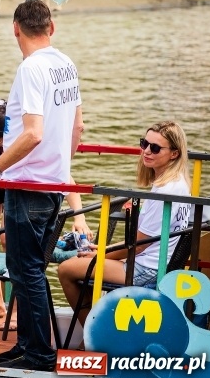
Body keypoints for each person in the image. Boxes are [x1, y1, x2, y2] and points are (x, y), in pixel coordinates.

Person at [0, 0, 83, 371]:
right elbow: (77, 127)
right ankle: (27, 344)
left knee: (26, 270)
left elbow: (32, 133)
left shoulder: (31, 68)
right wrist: (60, 167)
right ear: (51, 27)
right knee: (30, 268)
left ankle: (39, 353)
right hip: (50, 183)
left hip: (28, 184)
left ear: (15, 29)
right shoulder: (65, 64)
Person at [0, 100, 90, 330]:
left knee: (13, 241)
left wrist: (79, 217)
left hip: (16, 176)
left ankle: (20, 312)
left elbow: (63, 177)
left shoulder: (25, 135)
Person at [58, 120, 194, 329]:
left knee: (67, 269)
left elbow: (139, 245)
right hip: (157, 261)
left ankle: (93, 334)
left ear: (174, 153)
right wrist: (104, 250)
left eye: (155, 148)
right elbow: (144, 240)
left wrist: (100, 254)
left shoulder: (166, 190)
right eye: (144, 144)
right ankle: (100, 328)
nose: (146, 151)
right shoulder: (179, 183)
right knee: (82, 260)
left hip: (146, 268)